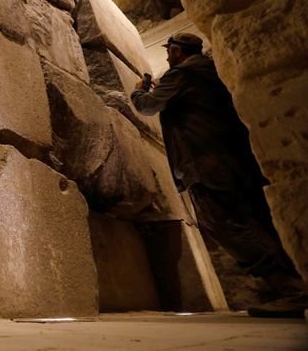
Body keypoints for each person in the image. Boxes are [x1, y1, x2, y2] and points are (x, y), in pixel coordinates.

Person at [130, 32, 307, 317]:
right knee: (251, 220)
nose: (166, 56)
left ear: (177, 51)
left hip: (205, 162)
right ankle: (288, 284)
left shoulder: (183, 74)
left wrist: (140, 90)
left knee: (226, 223)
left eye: (169, 51)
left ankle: (291, 288)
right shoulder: (211, 70)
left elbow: (147, 106)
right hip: (232, 159)